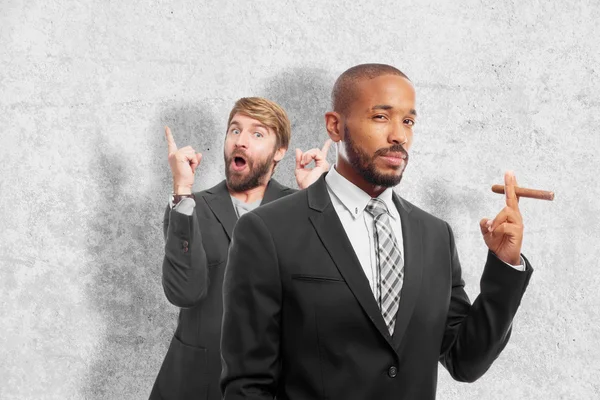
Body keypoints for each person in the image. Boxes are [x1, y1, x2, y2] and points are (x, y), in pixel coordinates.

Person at [220, 65, 534, 400]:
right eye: (381, 117)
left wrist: (504, 264)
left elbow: (465, 360)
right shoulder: (267, 230)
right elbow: (247, 385)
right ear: (335, 125)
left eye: (408, 121)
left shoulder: (435, 236)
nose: (399, 135)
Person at [149, 97, 331, 400]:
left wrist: (315, 199)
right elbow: (184, 293)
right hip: (196, 382)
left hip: (275, 384)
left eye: (257, 134)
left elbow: (327, 298)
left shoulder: (301, 208)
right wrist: (182, 190)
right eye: (235, 131)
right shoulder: (191, 208)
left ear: (279, 152)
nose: (241, 141)